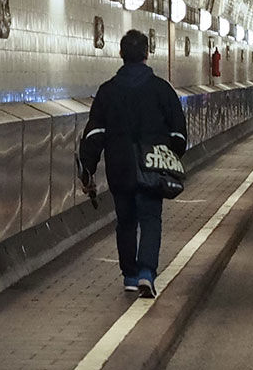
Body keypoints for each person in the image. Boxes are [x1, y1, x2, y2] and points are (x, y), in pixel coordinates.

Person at [78, 30, 188, 298]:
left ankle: (129, 275)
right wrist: (171, 157)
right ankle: (146, 273)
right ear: (147, 54)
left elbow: (94, 135)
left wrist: (88, 170)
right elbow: (178, 133)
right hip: (152, 166)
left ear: (120, 54)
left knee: (125, 221)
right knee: (151, 219)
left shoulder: (108, 91)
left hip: (120, 167)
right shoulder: (162, 89)